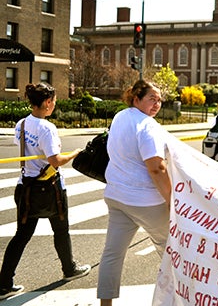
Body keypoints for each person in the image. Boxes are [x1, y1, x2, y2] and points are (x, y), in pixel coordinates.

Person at [0, 83, 90, 300]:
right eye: (54, 101)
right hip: (49, 190)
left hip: (26, 187)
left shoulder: (21, 124)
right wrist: (75, 154)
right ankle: (69, 269)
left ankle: (3, 284)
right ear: (48, 102)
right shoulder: (46, 128)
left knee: (21, 236)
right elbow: (55, 161)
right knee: (61, 230)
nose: (55, 105)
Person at [97, 80, 172, 306]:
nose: (157, 104)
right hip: (145, 199)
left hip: (116, 195)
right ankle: (180, 297)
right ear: (136, 98)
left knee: (112, 253)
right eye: (152, 98)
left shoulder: (121, 117)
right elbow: (156, 167)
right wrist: (171, 200)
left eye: (159, 100)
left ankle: (105, 304)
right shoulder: (147, 125)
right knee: (171, 249)